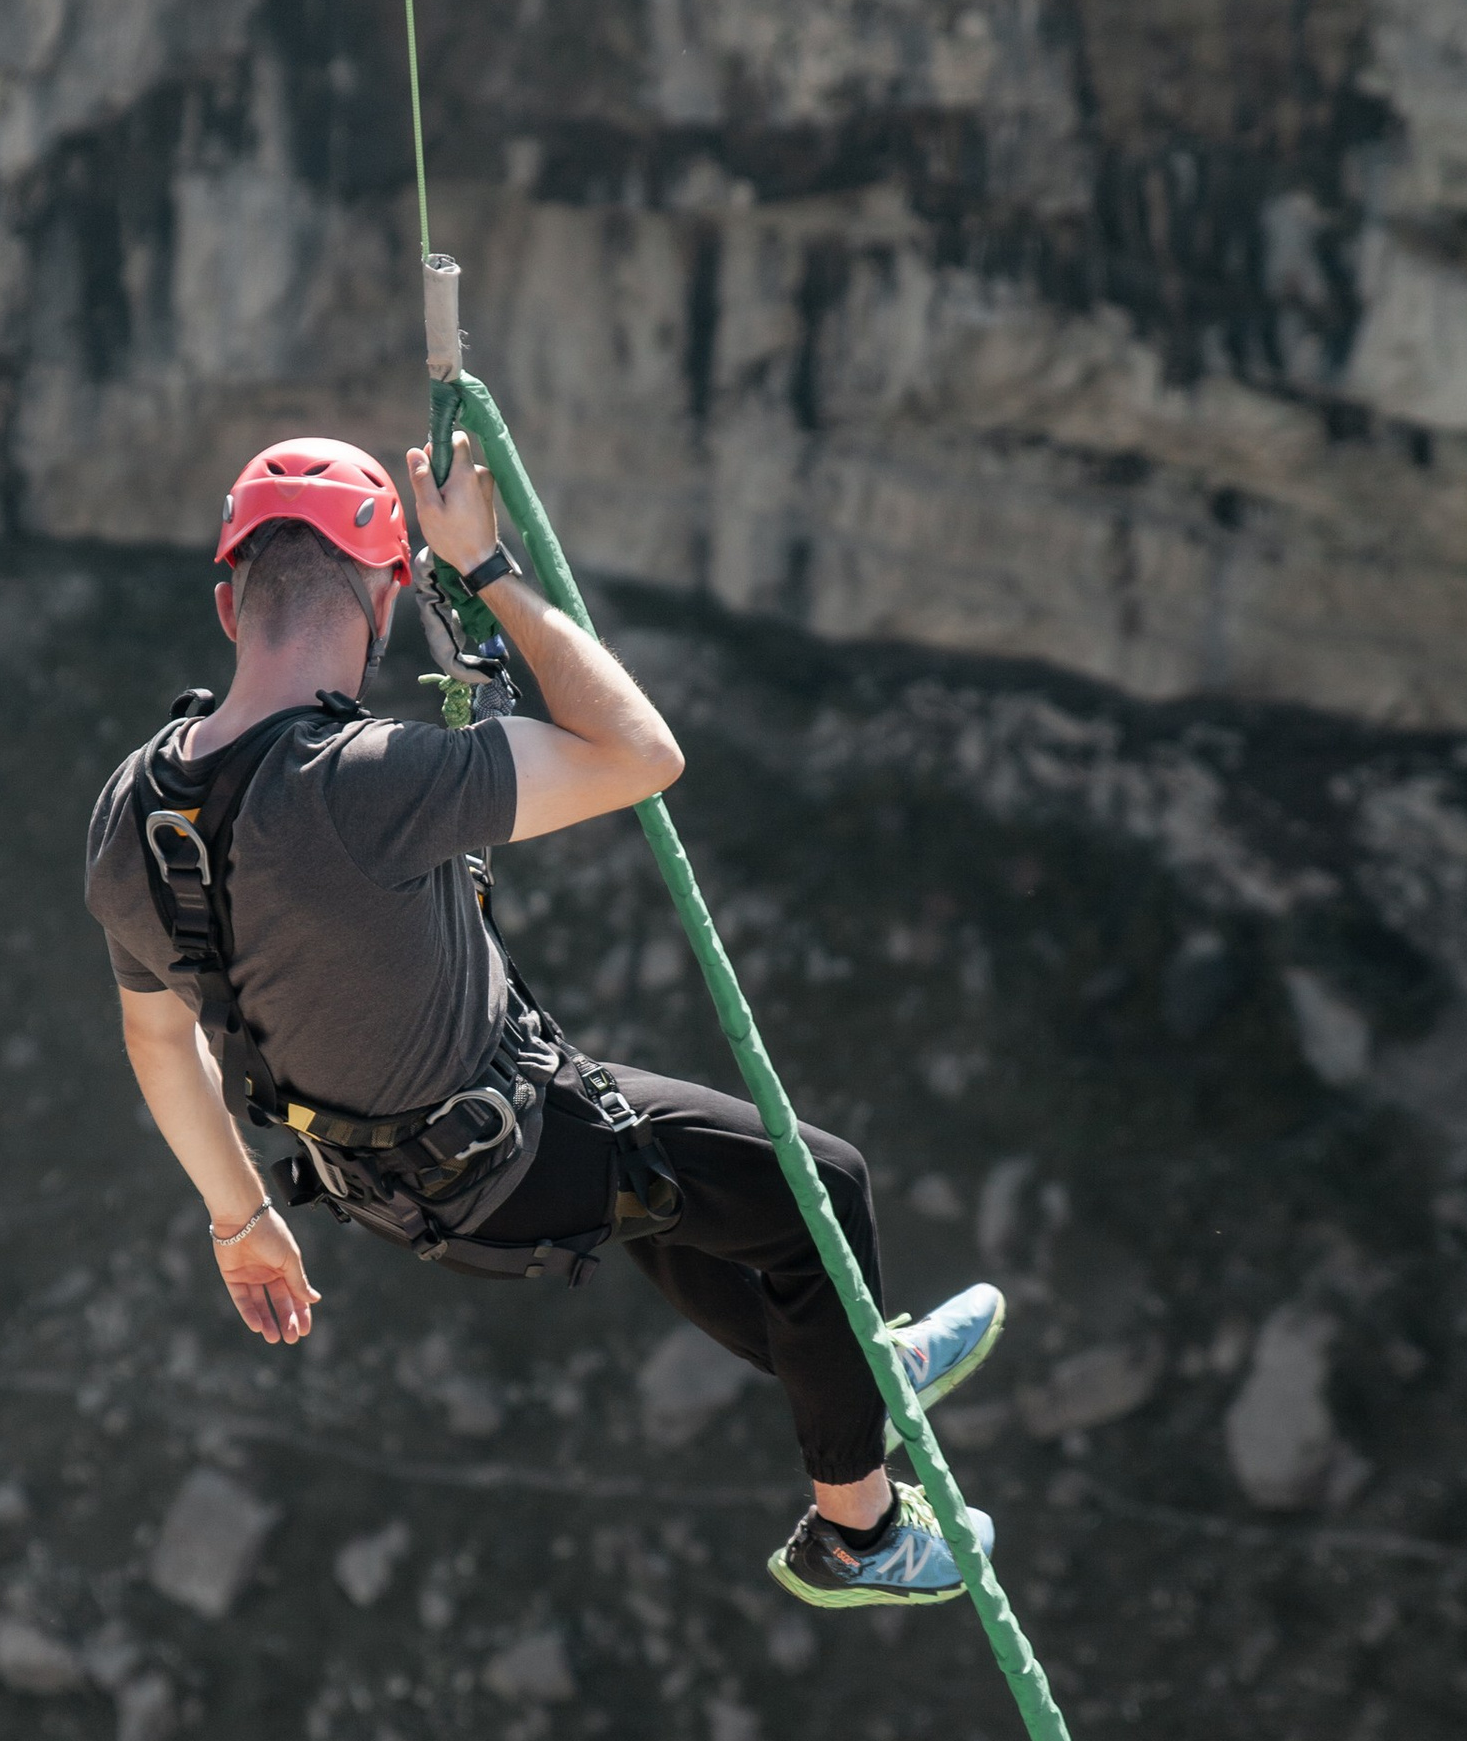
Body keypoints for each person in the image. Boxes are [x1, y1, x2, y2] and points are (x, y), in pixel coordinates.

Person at [83, 425, 1005, 1608]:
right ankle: (858, 1533)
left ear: (228, 604)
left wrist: (239, 1219)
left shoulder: (131, 810)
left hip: (378, 1174)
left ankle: (855, 1377)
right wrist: (488, 567)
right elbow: (642, 754)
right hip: (505, 1151)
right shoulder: (372, 779)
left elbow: (157, 1042)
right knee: (816, 1190)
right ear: (385, 594)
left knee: (679, 1199)